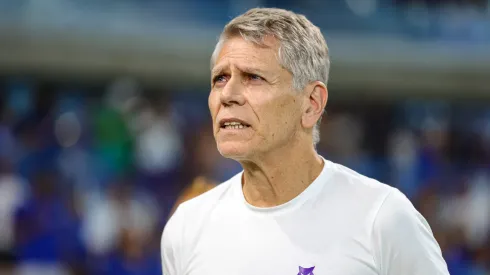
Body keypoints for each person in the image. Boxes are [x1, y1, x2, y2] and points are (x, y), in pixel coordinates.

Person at [161, 7, 449, 275]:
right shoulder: (187, 227)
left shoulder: (383, 218)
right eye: (220, 78)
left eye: (253, 77)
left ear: (311, 104)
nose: (228, 94)